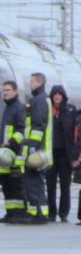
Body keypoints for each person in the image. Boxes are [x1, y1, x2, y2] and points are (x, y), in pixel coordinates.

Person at [0, 81, 28, 223]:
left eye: (8, 90)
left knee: (16, 185)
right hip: (5, 153)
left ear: (15, 91)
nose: (5, 92)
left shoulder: (19, 108)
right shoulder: (8, 108)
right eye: (4, 90)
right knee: (6, 184)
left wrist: (11, 143)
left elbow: (22, 130)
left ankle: (19, 213)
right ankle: (10, 212)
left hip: (14, 153)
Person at [22, 73, 52, 223]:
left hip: (37, 149)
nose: (30, 83)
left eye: (32, 81)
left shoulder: (39, 101)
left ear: (40, 82)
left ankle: (39, 213)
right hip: (40, 148)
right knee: (34, 182)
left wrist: (32, 147)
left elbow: (38, 126)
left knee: (34, 183)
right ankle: (36, 212)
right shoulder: (41, 99)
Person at [45, 85, 76, 222]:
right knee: (50, 184)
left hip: (65, 153)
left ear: (63, 96)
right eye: (55, 94)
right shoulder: (47, 110)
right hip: (50, 153)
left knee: (65, 184)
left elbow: (75, 132)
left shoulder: (70, 110)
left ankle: (64, 212)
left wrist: (75, 154)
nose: (57, 96)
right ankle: (51, 212)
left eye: (59, 94)